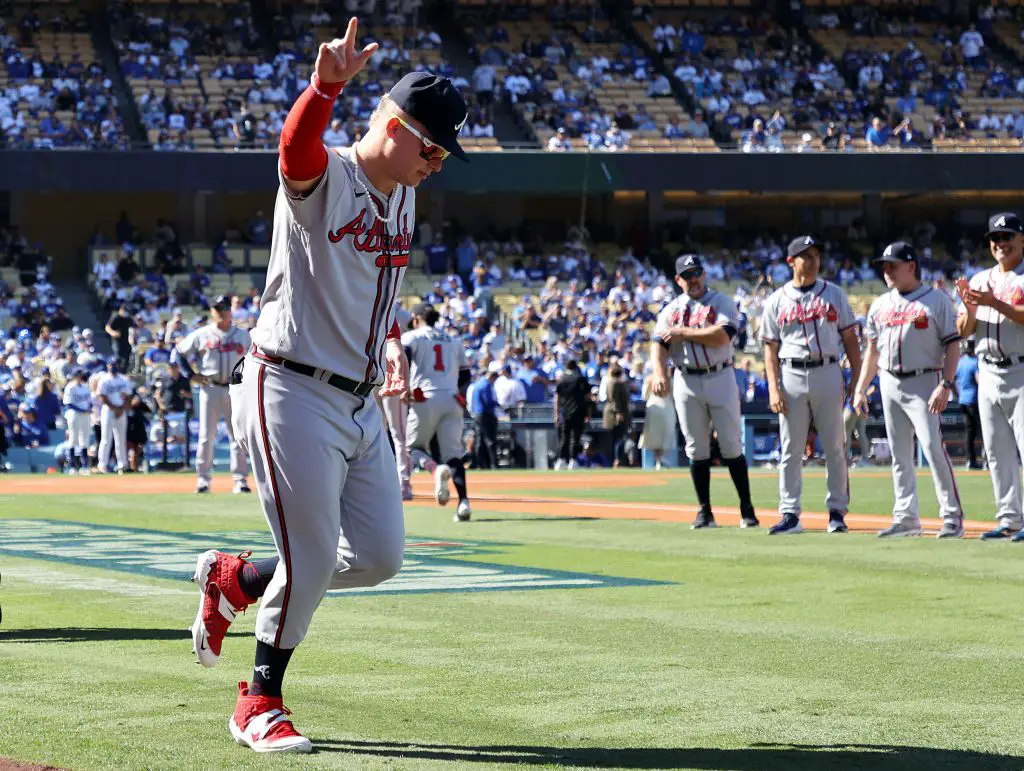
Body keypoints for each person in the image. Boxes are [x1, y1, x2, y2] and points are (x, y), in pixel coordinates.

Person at [185, 20, 469, 755]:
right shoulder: (330, 176)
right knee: (311, 558)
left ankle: (238, 578)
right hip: (290, 386)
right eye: (432, 146)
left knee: (377, 555)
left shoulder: (404, 192)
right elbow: (294, 151)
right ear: (393, 125)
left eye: (444, 152)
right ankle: (257, 699)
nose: (437, 163)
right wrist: (323, 90)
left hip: (360, 398)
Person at [853, 241, 965, 539]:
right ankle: (906, 518)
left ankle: (952, 516)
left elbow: (953, 344)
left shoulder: (937, 300)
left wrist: (946, 383)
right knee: (899, 453)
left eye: (893, 264)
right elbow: (872, 353)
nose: (887, 270)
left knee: (931, 447)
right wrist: (861, 388)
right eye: (884, 265)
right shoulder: (879, 305)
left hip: (925, 380)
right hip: (889, 381)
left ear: (911, 266)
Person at [760, 236, 862, 535]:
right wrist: (774, 388)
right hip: (791, 373)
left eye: (816, 254)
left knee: (835, 446)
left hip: (828, 370)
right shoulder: (776, 300)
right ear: (791, 262)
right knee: (791, 448)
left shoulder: (835, 294)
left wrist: (856, 381)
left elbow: (850, 341)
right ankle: (790, 513)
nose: (813, 260)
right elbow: (769, 349)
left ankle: (837, 512)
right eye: (806, 256)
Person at [651, 255, 759, 529]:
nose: (694, 279)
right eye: (687, 275)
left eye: (697, 273)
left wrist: (684, 333)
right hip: (686, 379)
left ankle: (746, 508)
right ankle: (704, 511)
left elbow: (723, 335)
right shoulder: (670, 309)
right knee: (695, 448)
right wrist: (659, 372)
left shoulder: (720, 302)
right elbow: (658, 342)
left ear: (704, 274)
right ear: (678, 280)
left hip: (720, 374)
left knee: (731, 445)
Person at [954, 212, 1024, 541]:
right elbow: (963, 330)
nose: (1000, 244)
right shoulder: (979, 279)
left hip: (1022, 370)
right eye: (995, 238)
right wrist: (969, 308)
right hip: (989, 371)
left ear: (1022, 239)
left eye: (1007, 236)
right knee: (996, 451)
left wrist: (993, 302)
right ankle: (1009, 518)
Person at [172, 294, 251, 494]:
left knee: (238, 436)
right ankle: (203, 480)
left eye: (223, 308)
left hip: (236, 388)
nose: (220, 312)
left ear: (229, 311)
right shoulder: (203, 334)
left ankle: (240, 480)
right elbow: (178, 353)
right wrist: (191, 375)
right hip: (211, 387)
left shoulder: (243, 335)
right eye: (216, 308)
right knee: (207, 436)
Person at [402, 303, 473, 521]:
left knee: (412, 448)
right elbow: (466, 375)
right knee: (454, 454)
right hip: (451, 398)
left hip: (424, 397)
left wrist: (404, 388)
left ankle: (436, 470)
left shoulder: (412, 337)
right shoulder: (454, 340)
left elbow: (401, 361)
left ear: (416, 319)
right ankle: (463, 503)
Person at [97, 359, 133, 474]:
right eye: (110, 364)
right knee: (106, 439)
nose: (112, 366)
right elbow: (102, 396)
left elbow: (128, 396)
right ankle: (102, 465)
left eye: (114, 364)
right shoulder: (104, 379)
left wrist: (122, 409)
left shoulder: (123, 379)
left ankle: (122, 465)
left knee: (121, 439)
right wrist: (115, 409)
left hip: (121, 410)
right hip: (108, 410)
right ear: (107, 366)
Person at [553, 359, 590, 470]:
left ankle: (561, 460)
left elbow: (557, 398)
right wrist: (588, 413)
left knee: (564, 437)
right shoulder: (580, 379)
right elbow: (587, 397)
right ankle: (573, 460)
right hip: (578, 411)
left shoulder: (561, 379)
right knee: (575, 437)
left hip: (565, 412)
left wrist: (556, 413)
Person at [640, 367, 677, 470]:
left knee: (654, 435)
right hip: (667, 407)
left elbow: (644, 396)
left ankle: (659, 460)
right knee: (666, 434)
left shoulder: (649, 379)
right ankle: (661, 459)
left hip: (654, 407)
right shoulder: (671, 380)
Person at [955, 337, 983, 469]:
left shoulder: (960, 362)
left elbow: (952, 381)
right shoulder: (975, 362)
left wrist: (958, 395)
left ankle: (970, 460)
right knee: (985, 431)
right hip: (974, 401)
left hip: (963, 401)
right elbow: (979, 381)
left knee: (969, 432)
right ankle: (988, 460)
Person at [470, 361, 500, 469]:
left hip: (477, 415)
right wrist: (499, 404)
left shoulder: (478, 384)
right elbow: (488, 401)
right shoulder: (486, 385)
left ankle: (480, 464)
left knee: (480, 439)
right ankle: (493, 464)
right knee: (490, 440)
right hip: (486, 414)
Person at [62, 368, 92, 474]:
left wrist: (89, 408)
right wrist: (83, 409)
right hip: (74, 414)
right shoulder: (70, 387)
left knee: (85, 439)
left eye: (80, 374)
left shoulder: (85, 387)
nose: (79, 376)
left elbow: (89, 402)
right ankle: (72, 467)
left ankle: (84, 466)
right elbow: (68, 403)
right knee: (73, 438)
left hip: (85, 415)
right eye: (77, 375)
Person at [602, 364, 631, 468]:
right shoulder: (614, 383)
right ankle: (617, 460)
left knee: (619, 438)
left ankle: (618, 460)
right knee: (619, 438)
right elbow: (614, 400)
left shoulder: (618, 383)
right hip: (615, 415)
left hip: (618, 413)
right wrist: (618, 412)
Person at [105, 304, 135, 373]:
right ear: (121, 310)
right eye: (125, 311)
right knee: (118, 357)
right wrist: (113, 333)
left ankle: (123, 373)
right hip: (117, 341)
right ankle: (115, 372)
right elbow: (107, 327)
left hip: (126, 341)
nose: (126, 313)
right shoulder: (116, 317)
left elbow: (132, 328)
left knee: (127, 358)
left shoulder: (128, 319)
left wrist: (132, 337)